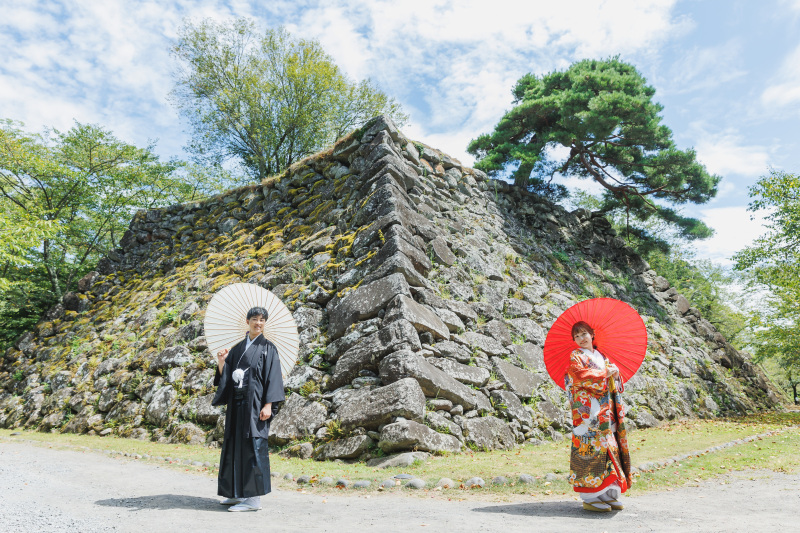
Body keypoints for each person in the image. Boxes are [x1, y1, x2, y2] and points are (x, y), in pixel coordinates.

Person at [212, 306, 285, 512]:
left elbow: (274, 378)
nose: (258, 323)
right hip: (237, 405)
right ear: (247, 321)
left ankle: (253, 499)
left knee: (254, 446)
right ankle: (236, 493)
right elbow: (225, 376)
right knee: (234, 445)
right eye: (255, 319)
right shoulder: (237, 348)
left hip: (256, 406)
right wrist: (221, 362)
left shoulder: (268, 348)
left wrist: (269, 404)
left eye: (262, 320)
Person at [565, 320, 632, 512]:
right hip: (589, 415)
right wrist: (604, 372)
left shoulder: (602, 356)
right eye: (576, 336)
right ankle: (589, 496)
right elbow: (579, 376)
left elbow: (614, 381)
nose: (581, 339)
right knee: (590, 451)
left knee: (609, 451)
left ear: (592, 334)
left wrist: (616, 374)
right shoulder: (575, 356)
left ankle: (606, 493)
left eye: (584, 334)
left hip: (607, 412)